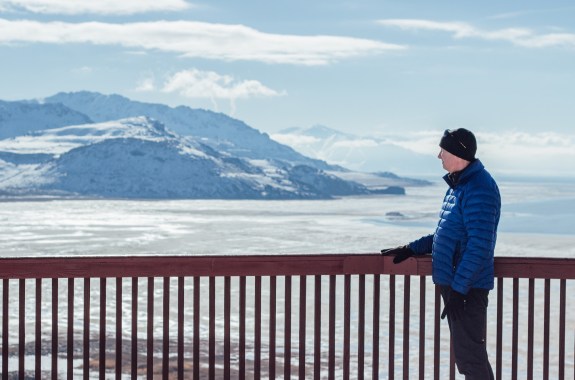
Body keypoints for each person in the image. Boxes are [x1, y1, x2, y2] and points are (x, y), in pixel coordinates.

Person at [381, 128, 500, 380]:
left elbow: (479, 246)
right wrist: (411, 248)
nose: (439, 155)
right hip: (458, 285)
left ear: (458, 153)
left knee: (471, 360)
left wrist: (459, 291)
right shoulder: (460, 185)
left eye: (443, 150)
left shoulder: (480, 188)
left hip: (466, 287)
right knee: (468, 358)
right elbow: (448, 234)